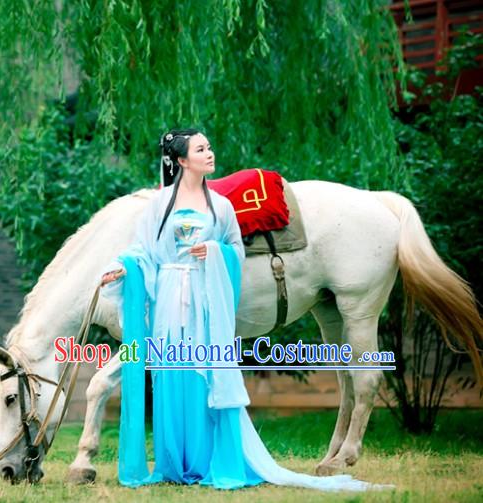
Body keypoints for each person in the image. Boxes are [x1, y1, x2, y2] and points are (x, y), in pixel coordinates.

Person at [100, 128, 394, 492]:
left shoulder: (220, 207)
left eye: (209, 147)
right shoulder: (158, 207)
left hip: (204, 301)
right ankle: (174, 463)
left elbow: (235, 252)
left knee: (200, 375)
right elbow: (144, 251)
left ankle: (210, 459)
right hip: (169, 303)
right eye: (200, 149)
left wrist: (215, 253)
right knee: (171, 378)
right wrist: (123, 268)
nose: (210, 154)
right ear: (180, 161)